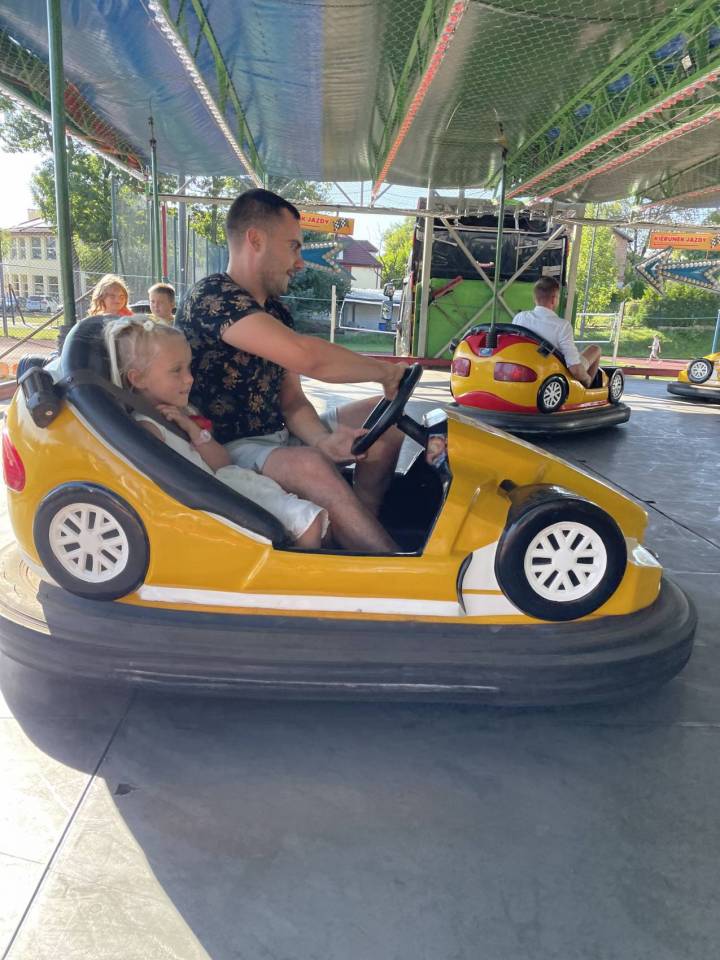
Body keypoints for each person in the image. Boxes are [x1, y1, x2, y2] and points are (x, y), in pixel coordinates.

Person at [177, 189, 408, 554]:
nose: (299, 263)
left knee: (385, 423)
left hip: (278, 437)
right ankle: (391, 567)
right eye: (294, 247)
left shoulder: (277, 311)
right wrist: (384, 372)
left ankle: (359, 535)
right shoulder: (213, 298)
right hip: (225, 448)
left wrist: (321, 439)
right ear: (256, 240)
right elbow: (308, 357)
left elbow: (292, 401)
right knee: (309, 465)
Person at [104, 316, 328, 549]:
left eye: (188, 367)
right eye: (176, 370)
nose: (189, 378)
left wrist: (193, 430)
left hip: (233, 485)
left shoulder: (185, 415)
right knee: (309, 523)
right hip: (217, 506)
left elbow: (221, 462)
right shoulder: (149, 429)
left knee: (316, 520)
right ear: (138, 379)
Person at [512, 276, 601, 388]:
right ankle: (588, 389)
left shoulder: (520, 317)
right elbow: (574, 369)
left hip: (525, 366)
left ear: (535, 298)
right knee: (595, 349)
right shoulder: (562, 326)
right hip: (553, 370)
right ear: (554, 299)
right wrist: (587, 378)